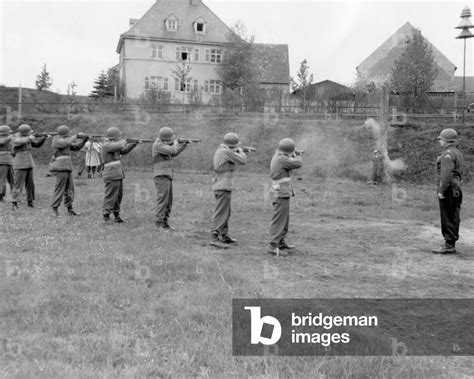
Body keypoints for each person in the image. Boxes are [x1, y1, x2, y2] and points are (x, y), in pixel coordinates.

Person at [210, 132, 248, 247]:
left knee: (225, 211)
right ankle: (215, 237)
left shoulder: (224, 150)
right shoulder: (226, 151)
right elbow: (243, 161)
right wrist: (241, 151)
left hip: (222, 184)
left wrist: (237, 151)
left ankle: (223, 235)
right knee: (221, 211)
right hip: (223, 185)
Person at [432, 128, 464, 254]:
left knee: (447, 216)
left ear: (446, 141)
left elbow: (446, 175)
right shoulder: (457, 152)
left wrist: (441, 190)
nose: (440, 142)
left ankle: (449, 244)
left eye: (441, 140)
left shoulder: (447, 154)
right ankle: (451, 242)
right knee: (453, 215)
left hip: (449, 188)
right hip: (456, 187)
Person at [269, 138, 303, 257]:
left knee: (284, 219)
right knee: (279, 219)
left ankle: (281, 241)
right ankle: (274, 245)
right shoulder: (282, 158)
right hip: (281, 192)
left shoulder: (279, 155)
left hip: (282, 191)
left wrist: (292, 154)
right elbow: (298, 163)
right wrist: (297, 155)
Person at [152, 127, 188, 230]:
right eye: (170, 138)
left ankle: (164, 222)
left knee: (168, 201)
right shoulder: (158, 145)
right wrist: (176, 142)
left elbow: (175, 153)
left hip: (167, 174)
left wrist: (184, 145)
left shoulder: (163, 144)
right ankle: (158, 224)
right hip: (161, 175)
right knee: (163, 200)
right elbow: (173, 150)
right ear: (166, 138)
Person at [101, 127, 139, 223]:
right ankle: (106, 216)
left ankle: (117, 216)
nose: (120, 138)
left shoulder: (114, 145)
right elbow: (120, 145)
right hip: (111, 173)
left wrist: (134, 144)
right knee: (110, 195)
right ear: (114, 137)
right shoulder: (107, 145)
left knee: (118, 196)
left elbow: (124, 150)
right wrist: (125, 140)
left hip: (117, 173)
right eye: (119, 136)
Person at [49, 125, 88, 217]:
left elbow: (76, 147)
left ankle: (69, 209)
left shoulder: (66, 141)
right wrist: (74, 137)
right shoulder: (56, 140)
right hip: (60, 167)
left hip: (67, 167)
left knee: (70, 190)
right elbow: (65, 143)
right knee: (59, 189)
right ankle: (54, 210)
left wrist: (84, 140)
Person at [11, 124, 48, 209]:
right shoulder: (15, 137)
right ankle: (14, 203)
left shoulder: (28, 137)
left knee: (30, 184)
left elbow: (36, 145)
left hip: (29, 162)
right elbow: (18, 142)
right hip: (20, 162)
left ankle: (30, 202)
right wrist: (30, 137)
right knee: (18, 184)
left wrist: (44, 138)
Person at [0, 125, 14, 202]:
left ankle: (15, 195)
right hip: (2, 160)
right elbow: (2, 142)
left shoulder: (8, 139)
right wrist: (11, 136)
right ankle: (0, 195)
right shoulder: (4, 139)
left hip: (9, 160)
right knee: (2, 179)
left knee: (12, 179)